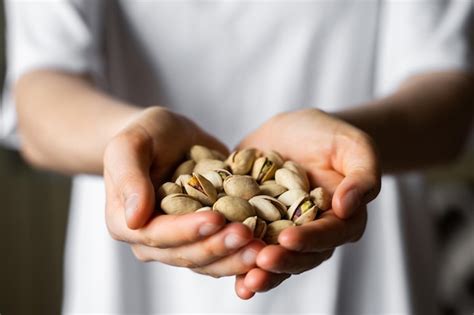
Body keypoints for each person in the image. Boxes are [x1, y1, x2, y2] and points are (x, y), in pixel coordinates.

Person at [1, 1, 472, 314]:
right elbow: (41, 91)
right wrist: (130, 140)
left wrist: (351, 141)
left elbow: (447, 96)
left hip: (362, 250)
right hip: (135, 265)